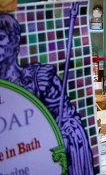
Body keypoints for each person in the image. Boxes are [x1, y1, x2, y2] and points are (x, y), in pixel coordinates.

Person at [0, 14, 94, 174]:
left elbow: (70, 122)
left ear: (15, 43)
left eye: (1, 37)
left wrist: (62, 142)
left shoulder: (39, 80)